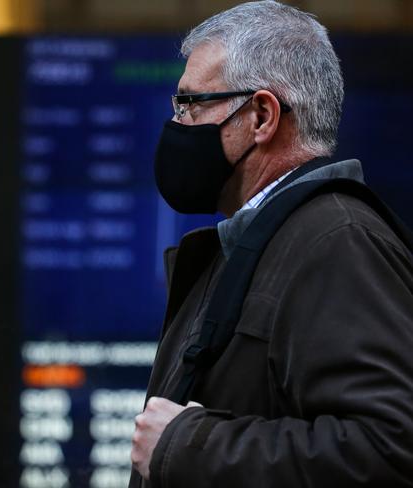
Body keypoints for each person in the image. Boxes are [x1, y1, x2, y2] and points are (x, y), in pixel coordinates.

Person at [129, 1, 413, 487]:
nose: (177, 124)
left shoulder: (336, 240)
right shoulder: (267, 239)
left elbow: (391, 448)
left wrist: (187, 445)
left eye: (191, 104)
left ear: (262, 115)